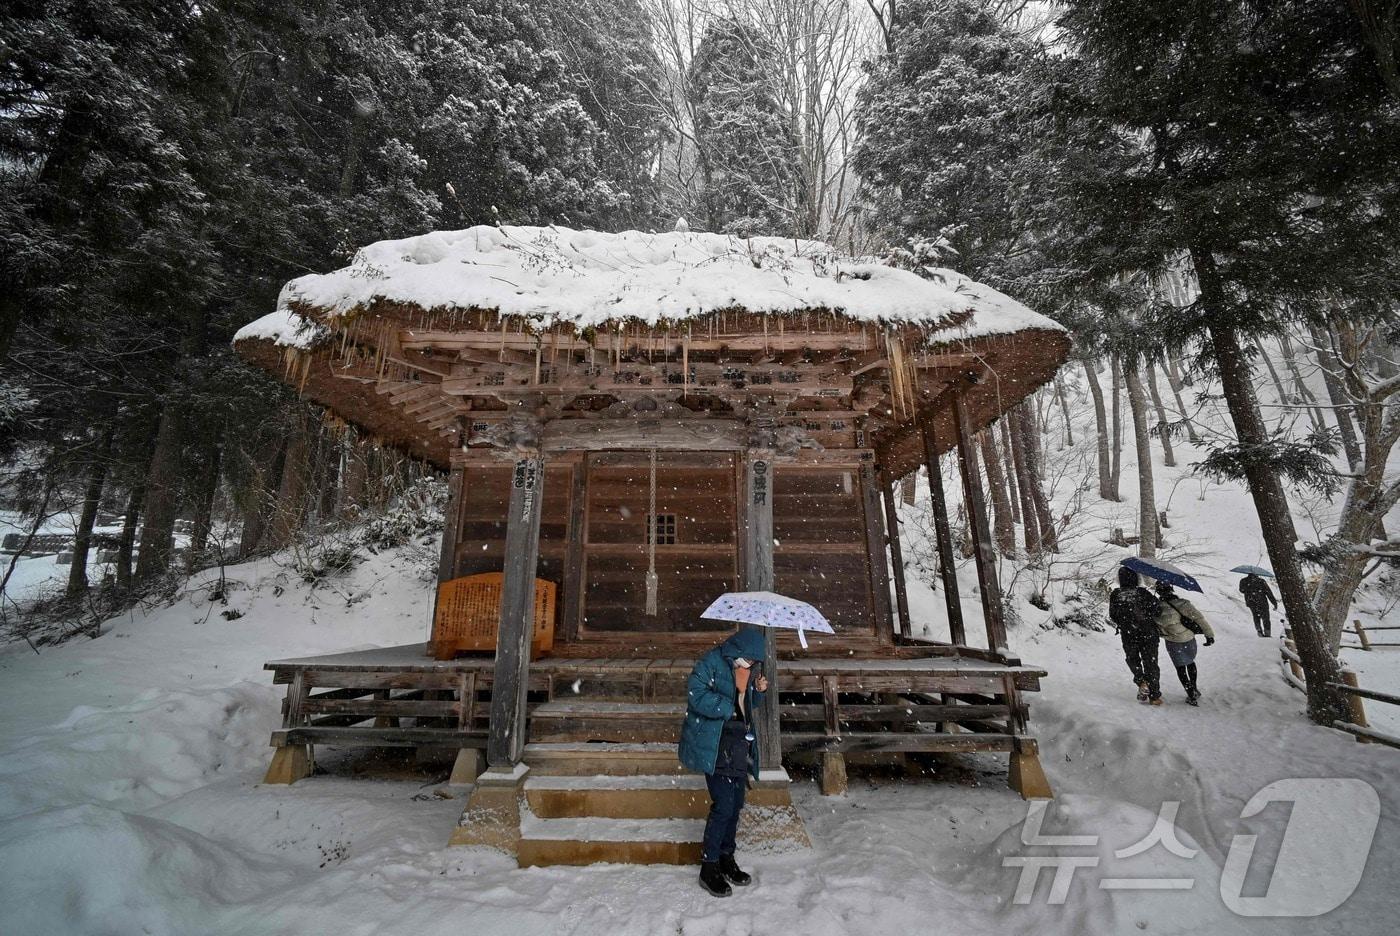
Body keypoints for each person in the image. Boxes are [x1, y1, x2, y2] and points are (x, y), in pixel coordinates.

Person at [677, 627, 769, 898]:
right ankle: (709, 865)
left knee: (737, 802)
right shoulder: (712, 662)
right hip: (715, 743)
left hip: (739, 742)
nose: (750, 665)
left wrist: (758, 691)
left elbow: (746, 705)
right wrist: (725, 707)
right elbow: (695, 693)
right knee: (724, 805)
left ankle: (727, 858)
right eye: (749, 659)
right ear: (738, 651)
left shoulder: (748, 670)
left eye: (754, 662)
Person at [1109, 566, 1164, 705]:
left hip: (1128, 633)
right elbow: (1158, 612)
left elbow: (1113, 615)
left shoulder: (1116, 594)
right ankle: (1155, 696)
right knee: (1151, 662)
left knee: (1132, 659)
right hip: (1148, 633)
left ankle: (1141, 681)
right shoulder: (1144, 593)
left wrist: (1127, 622)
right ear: (1136, 578)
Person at [1154, 582, 1215, 706]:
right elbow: (1199, 618)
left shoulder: (1156, 608)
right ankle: (1194, 687)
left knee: (1180, 667)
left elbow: (1158, 627)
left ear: (1158, 592)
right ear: (1171, 589)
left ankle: (1190, 692)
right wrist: (1209, 635)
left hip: (1173, 642)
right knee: (1190, 662)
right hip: (1188, 639)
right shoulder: (1183, 604)